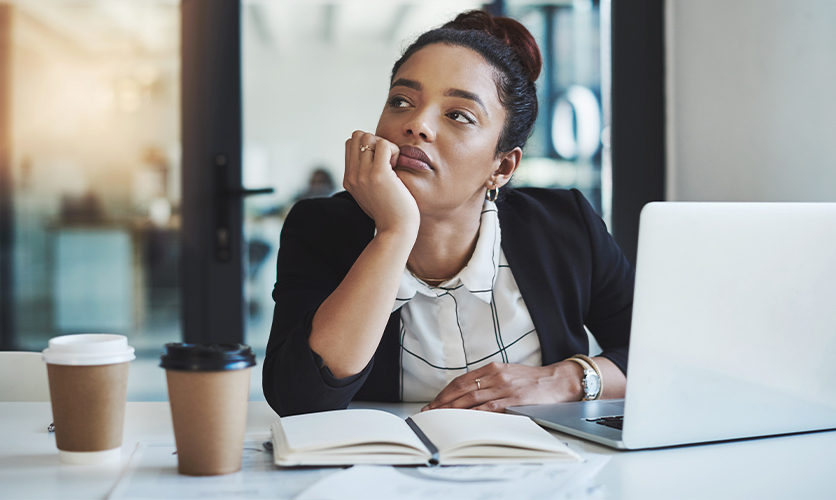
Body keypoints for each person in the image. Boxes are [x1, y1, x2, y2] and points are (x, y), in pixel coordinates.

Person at [263, 10, 634, 417]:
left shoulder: (566, 224)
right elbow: (298, 400)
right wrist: (394, 231)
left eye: (459, 115)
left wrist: (566, 379)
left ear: (502, 167)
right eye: (401, 102)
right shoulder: (320, 227)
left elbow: (662, 357)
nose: (416, 124)